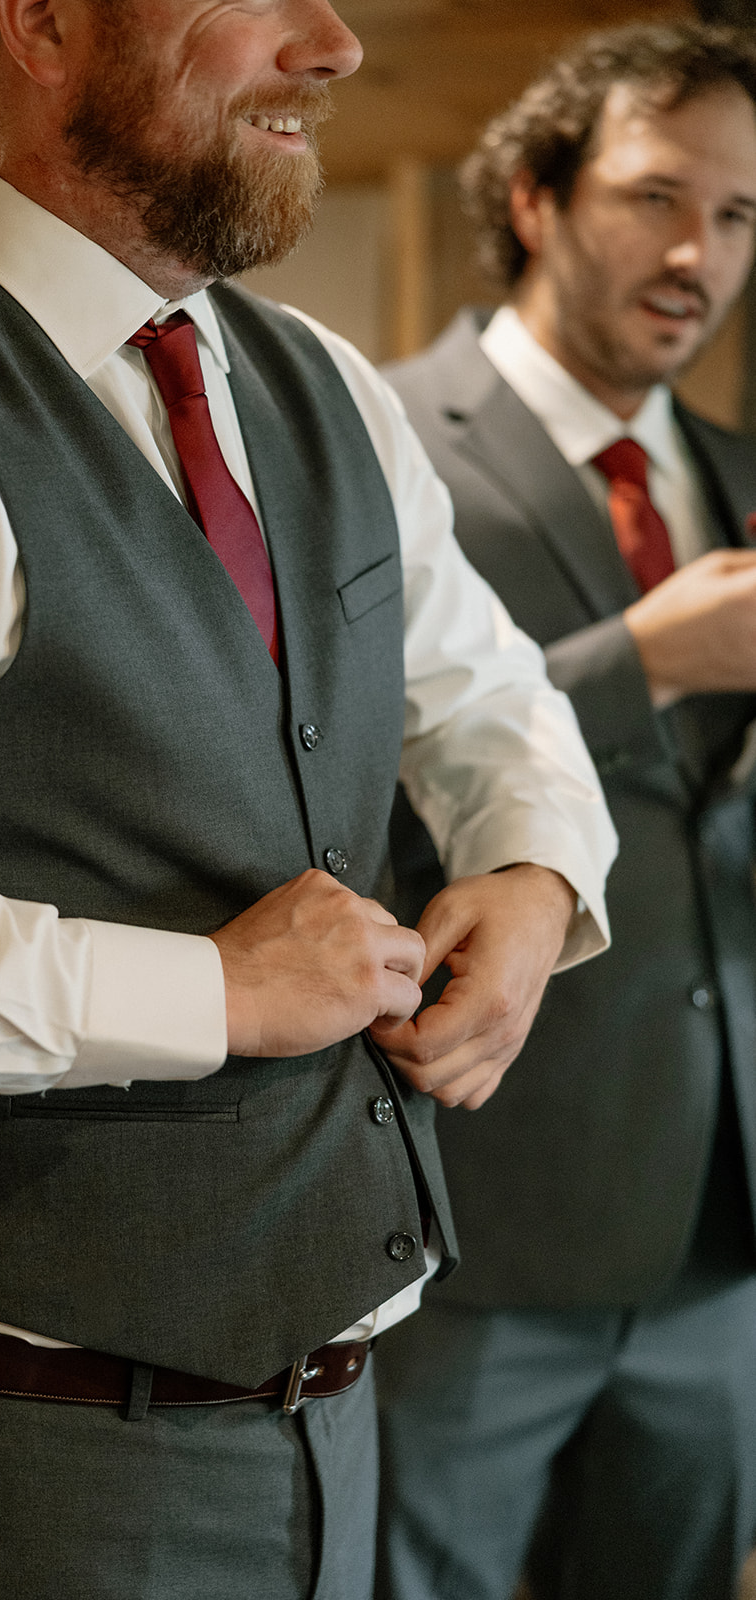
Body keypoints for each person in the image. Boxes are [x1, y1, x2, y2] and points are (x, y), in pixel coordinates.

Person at [0, 3, 614, 1597]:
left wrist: (534, 874)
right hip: (21, 1463)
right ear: (45, 19)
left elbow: (486, 689)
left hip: (336, 1424)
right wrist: (213, 992)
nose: (333, 46)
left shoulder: (321, 383)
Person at [376, 21, 756, 1600]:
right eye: (656, 197)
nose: (697, 254)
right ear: (535, 196)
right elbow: (323, 781)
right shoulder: (374, 437)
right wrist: (638, 665)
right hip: (484, 1213)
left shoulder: (739, 469)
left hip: (724, 1237)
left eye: (738, 217)